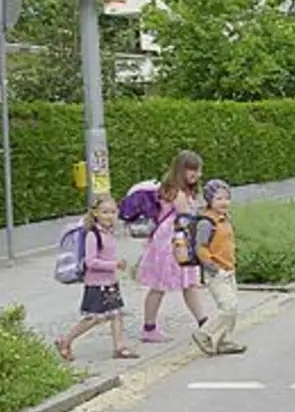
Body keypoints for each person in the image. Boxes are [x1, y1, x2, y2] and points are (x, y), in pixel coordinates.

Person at [136, 150, 213, 342]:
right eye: (191, 170)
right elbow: (186, 216)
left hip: (174, 240)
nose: (196, 174)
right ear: (181, 170)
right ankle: (149, 328)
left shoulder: (174, 190)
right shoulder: (177, 193)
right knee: (161, 285)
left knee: (186, 283)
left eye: (198, 170)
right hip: (173, 242)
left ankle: (203, 322)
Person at [54, 195, 140, 361]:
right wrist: (114, 264)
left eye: (112, 212)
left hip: (110, 282)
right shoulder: (93, 235)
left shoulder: (108, 233)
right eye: (105, 212)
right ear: (95, 213)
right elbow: (91, 262)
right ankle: (65, 341)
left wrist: (115, 266)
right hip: (96, 283)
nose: (109, 216)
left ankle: (119, 347)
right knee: (93, 318)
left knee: (116, 314)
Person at [190, 179, 248, 355]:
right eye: (219, 198)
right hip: (216, 272)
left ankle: (222, 340)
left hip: (229, 269)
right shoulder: (207, 222)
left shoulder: (225, 218)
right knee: (228, 307)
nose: (224, 202)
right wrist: (212, 266)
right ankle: (204, 333)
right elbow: (200, 247)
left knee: (233, 308)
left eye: (226, 198)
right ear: (209, 200)